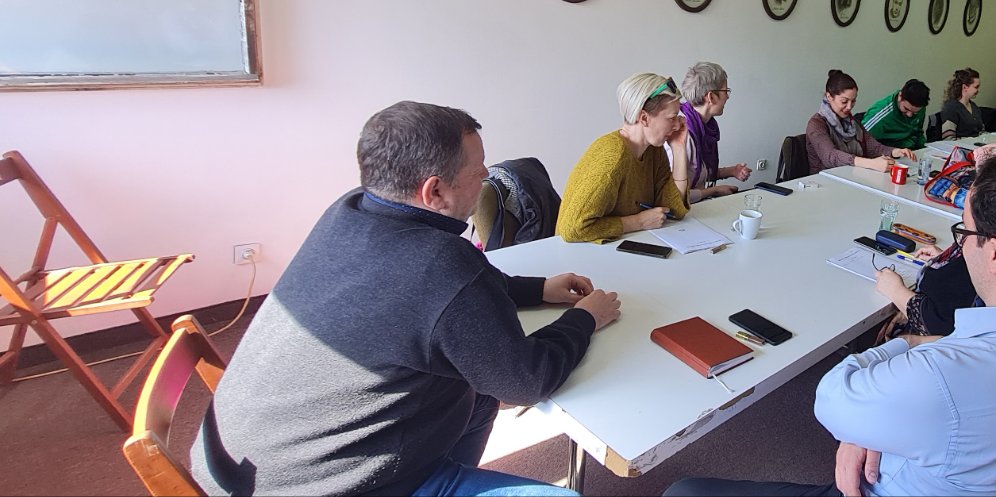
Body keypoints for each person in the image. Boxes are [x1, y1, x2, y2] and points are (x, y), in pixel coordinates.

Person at [193, 101, 619, 496]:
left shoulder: (350, 210)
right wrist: (585, 319)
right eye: (477, 168)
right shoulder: (442, 263)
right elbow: (526, 382)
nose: (487, 174)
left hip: (243, 463)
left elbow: (446, 290)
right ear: (435, 192)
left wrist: (537, 289)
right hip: (329, 486)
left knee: (478, 397)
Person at [665, 152, 996, 497]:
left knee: (684, 492)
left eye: (963, 234)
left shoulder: (942, 377)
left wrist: (909, 341)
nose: (960, 246)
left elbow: (832, 397)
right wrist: (869, 427)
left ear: (995, 254)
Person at [556, 73, 692, 242]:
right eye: (672, 118)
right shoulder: (613, 157)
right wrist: (638, 222)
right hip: (578, 252)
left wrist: (678, 149)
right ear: (644, 118)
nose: (678, 125)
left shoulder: (653, 150)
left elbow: (673, 209)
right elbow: (572, 229)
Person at [806, 69, 913, 174]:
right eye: (844, 101)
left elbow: (873, 147)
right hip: (823, 180)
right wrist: (871, 163)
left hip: (852, 175)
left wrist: (895, 152)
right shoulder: (816, 124)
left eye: (853, 101)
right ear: (829, 97)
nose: (849, 107)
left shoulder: (853, 122)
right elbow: (830, 156)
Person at [677, 61, 751, 202]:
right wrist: (714, 190)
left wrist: (732, 171)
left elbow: (698, 173)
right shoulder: (683, 134)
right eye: (725, 91)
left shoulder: (704, 125)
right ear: (711, 97)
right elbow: (676, 196)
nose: (728, 96)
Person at [861, 78, 930, 150]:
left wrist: (923, 149)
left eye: (915, 112)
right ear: (900, 97)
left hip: (912, 151)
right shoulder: (880, 115)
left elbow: (918, 132)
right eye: (906, 109)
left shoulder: (920, 107)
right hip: (888, 152)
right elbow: (862, 143)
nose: (909, 115)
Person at [937, 68, 984, 139]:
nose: (979, 90)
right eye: (976, 87)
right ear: (965, 87)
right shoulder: (951, 108)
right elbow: (948, 138)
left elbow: (982, 131)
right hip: (961, 145)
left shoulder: (974, 106)